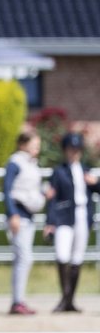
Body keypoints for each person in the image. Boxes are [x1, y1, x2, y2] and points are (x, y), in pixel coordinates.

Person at [43, 132, 98, 313]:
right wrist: (50, 222)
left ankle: (70, 300)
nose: (74, 153)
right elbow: (52, 198)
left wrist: (95, 182)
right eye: (71, 149)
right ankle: (65, 297)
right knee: (62, 255)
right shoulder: (59, 172)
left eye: (77, 149)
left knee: (77, 258)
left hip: (83, 215)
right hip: (64, 216)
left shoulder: (86, 170)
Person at [3, 132, 45, 316]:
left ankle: (19, 300)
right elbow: (7, 189)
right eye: (34, 143)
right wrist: (12, 214)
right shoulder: (15, 162)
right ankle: (17, 301)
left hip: (29, 215)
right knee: (24, 258)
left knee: (23, 259)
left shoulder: (31, 164)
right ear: (23, 144)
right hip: (19, 215)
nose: (38, 147)